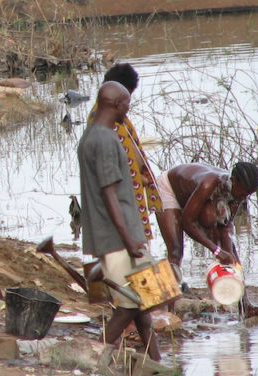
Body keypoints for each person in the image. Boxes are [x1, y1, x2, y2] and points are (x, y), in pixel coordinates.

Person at [78, 81, 160, 364]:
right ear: (115, 104)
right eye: (127, 104)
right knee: (128, 305)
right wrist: (129, 240)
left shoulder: (92, 136)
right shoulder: (103, 140)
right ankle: (90, 361)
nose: (129, 108)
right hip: (117, 239)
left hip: (118, 236)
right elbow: (109, 194)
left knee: (142, 306)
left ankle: (159, 365)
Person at [155, 161, 258, 318]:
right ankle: (168, 313)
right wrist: (216, 250)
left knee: (232, 255)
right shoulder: (208, 184)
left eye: (247, 195)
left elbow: (226, 228)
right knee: (176, 252)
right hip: (169, 189)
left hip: (193, 197)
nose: (244, 198)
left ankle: (245, 307)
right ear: (234, 181)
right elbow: (186, 222)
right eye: (243, 193)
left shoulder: (238, 193)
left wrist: (229, 255)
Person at [87, 63, 162, 240]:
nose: (129, 103)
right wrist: (140, 178)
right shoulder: (104, 118)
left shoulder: (112, 114)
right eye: (127, 98)